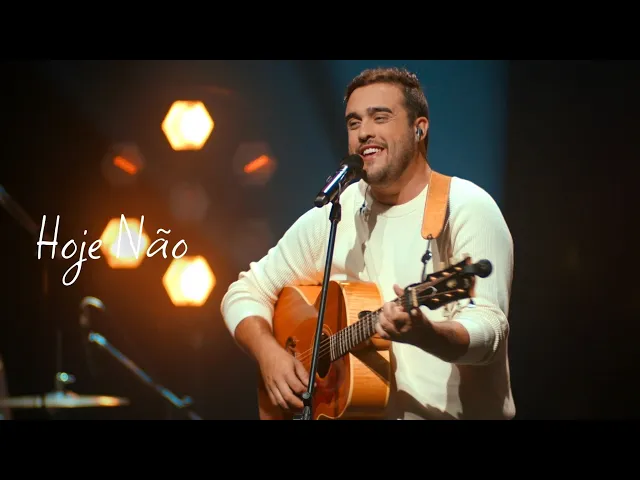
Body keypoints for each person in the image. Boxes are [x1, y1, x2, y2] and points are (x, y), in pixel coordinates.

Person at [220, 66, 515, 420]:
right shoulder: (337, 212)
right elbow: (245, 291)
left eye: (380, 117)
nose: (364, 132)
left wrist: (428, 334)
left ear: (419, 128)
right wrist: (269, 354)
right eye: (354, 122)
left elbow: (489, 329)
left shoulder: (465, 207)